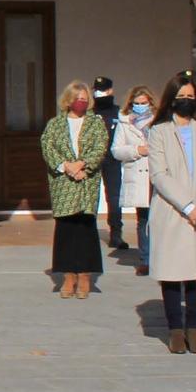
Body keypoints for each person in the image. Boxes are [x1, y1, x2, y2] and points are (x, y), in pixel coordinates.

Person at [147, 71, 196, 354]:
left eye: (191, 97)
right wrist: (188, 206)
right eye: (182, 97)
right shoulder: (159, 131)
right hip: (173, 211)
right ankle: (175, 330)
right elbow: (160, 174)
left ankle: (194, 327)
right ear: (171, 99)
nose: (187, 101)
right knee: (172, 273)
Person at [41, 79, 106, 299]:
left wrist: (82, 164)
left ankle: (85, 276)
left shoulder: (96, 123)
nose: (81, 102)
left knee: (86, 228)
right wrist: (66, 166)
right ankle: (68, 276)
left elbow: (100, 146)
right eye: (77, 99)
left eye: (84, 99)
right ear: (68, 100)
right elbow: (47, 147)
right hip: (63, 181)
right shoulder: (54, 124)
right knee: (66, 229)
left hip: (86, 179)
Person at [112, 86, 157, 276]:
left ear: (151, 103)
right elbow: (116, 150)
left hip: (158, 174)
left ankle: (162, 257)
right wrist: (137, 150)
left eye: (143, 103)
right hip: (138, 174)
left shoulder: (161, 119)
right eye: (136, 104)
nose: (140, 107)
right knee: (143, 219)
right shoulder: (124, 122)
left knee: (160, 219)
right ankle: (146, 259)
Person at [94, 76, 127, 249]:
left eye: (103, 90)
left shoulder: (118, 112)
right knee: (91, 196)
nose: (99, 93)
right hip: (93, 159)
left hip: (112, 159)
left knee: (114, 196)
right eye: (97, 90)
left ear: (111, 91)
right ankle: (89, 232)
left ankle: (116, 233)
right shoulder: (90, 112)